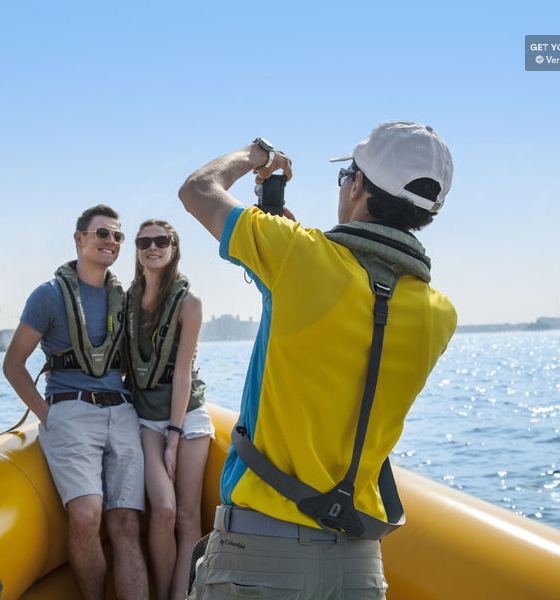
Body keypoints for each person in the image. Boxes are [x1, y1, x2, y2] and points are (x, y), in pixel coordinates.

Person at [178, 123, 457, 599]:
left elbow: (198, 189)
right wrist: (291, 254)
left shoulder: (297, 257)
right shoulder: (440, 314)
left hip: (259, 559)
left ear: (359, 186)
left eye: (348, 173)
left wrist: (257, 154)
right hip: (360, 569)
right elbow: (352, 312)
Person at [3, 204, 149, 600]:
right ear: (79, 239)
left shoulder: (127, 297)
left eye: (118, 236)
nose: (111, 241)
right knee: (86, 516)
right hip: (70, 410)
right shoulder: (48, 296)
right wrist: (48, 415)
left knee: (127, 525)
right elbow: (13, 364)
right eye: (102, 233)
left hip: (121, 413)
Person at [125, 219, 214, 600]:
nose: (153, 246)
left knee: (186, 516)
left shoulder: (189, 303)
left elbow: (182, 372)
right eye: (144, 241)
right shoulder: (126, 300)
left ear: (174, 248)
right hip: (147, 417)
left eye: (162, 240)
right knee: (162, 510)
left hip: (187, 416)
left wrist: (174, 437)